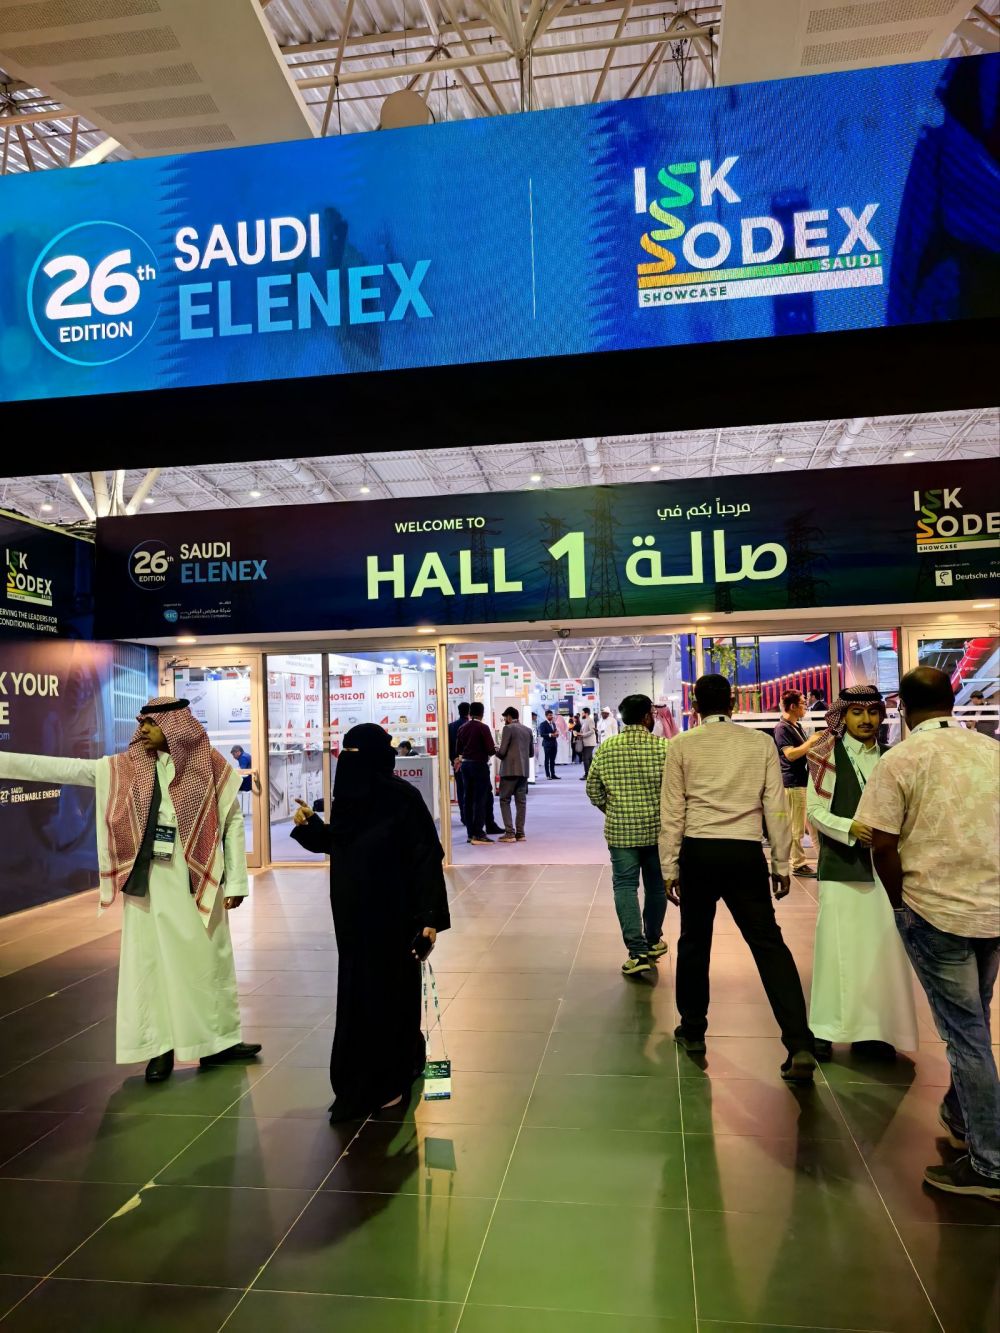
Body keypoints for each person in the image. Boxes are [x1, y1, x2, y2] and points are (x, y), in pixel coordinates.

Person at [0, 698, 260, 1083]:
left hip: (197, 880)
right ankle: (158, 1048)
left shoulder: (211, 767)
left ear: (175, 727)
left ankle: (218, 1042)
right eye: (142, 724)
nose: (143, 730)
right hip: (148, 883)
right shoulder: (127, 768)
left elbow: (232, 824)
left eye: (152, 724)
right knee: (149, 965)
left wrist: (236, 881)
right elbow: (67, 769)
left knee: (208, 963)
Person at [857, 666, 1000, 1201]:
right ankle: (963, 1116)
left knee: (965, 1035)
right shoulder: (990, 751)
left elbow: (882, 844)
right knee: (975, 1019)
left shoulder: (900, 760)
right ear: (953, 699)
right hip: (992, 908)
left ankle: (991, 1163)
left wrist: (900, 906)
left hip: (935, 912)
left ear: (901, 706)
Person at [659, 674, 816, 1084]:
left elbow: (672, 811)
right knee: (768, 944)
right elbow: (775, 806)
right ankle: (799, 1042)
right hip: (745, 854)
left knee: (694, 942)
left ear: (695, 706)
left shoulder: (680, 746)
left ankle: (693, 1030)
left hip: (699, 852)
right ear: (732, 704)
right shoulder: (759, 744)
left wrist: (669, 867)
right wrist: (780, 862)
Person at [292, 724, 450, 1124]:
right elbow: (340, 842)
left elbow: (425, 858)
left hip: (395, 918)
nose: (349, 762)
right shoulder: (348, 800)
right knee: (360, 996)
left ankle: (393, 1076)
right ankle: (359, 1079)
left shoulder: (402, 798)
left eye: (355, 753)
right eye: (345, 753)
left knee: (391, 994)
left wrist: (430, 918)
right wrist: (311, 825)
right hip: (353, 920)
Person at [806, 686, 919, 1061]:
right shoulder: (825, 756)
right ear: (843, 716)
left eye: (872, 712)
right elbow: (815, 812)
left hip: (888, 872)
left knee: (883, 953)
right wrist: (849, 828)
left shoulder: (894, 757)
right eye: (856, 712)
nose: (866, 720)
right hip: (843, 868)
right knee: (836, 951)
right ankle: (825, 1029)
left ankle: (876, 1033)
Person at [585, 694, 670, 976]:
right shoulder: (664, 748)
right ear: (646, 717)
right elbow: (676, 791)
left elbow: (593, 789)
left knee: (625, 887)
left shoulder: (606, 748)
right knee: (656, 887)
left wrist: (612, 810)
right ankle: (653, 941)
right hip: (657, 831)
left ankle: (637, 952)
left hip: (621, 832)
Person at [773, 690, 821, 878]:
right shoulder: (782, 728)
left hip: (802, 781)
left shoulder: (796, 726)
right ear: (792, 706)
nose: (805, 707)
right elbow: (791, 754)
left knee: (812, 825)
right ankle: (798, 863)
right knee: (797, 827)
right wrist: (811, 742)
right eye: (802, 703)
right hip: (793, 783)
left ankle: (822, 860)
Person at [455, 701, 497, 845]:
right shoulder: (483, 728)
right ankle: (478, 833)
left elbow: (458, 749)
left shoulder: (462, 728)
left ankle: (470, 833)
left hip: (465, 766)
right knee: (480, 799)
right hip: (479, 765)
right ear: (482, 713)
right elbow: (490, 749)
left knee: (468, 799)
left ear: (470, 713)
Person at [497, 706, 534, 843]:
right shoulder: (528, 730)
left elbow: (502, 752)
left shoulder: (508, 729)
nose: (505, 720)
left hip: (509, 771)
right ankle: (520, 833)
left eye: (505, 718)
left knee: (504, 800)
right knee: (521, 802)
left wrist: (496, 750)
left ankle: (509, 833)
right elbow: (531, 753)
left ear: (509, 717)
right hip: (523, 771)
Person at [448, 701, 471, 833]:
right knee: (471, 790)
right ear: (469, 712)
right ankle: (470, 816)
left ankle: (464, 816)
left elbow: (448, 747)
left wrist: (453, 760)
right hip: (471, 763)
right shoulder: (472, 725)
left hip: (457, 763)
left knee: (461, 790)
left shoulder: (451, 726)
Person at [538, 709, 560, 779]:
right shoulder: (543, 724)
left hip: (554, 744)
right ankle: (548, 775)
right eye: (550, 715)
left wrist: (556, 734)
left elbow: (555, 732)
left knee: (553, 760)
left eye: (552, 715)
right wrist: (551, 735)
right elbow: (542, 734)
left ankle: (553, 774)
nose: (551, 716)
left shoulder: (553, 723)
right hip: (547, 744)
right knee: (547, 760)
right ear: (546, 716)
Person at [578, 707, 598, 778]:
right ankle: (591, 774)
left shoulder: (590, 720)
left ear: (586, 713)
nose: (581, 714)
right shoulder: (585, 720)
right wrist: (579, 734)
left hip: (589, 743)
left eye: (582, 713)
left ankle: (587, 774)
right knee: (589, 759)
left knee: (585, 758)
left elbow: (592, 731)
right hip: (586, 742)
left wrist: (583, 735)